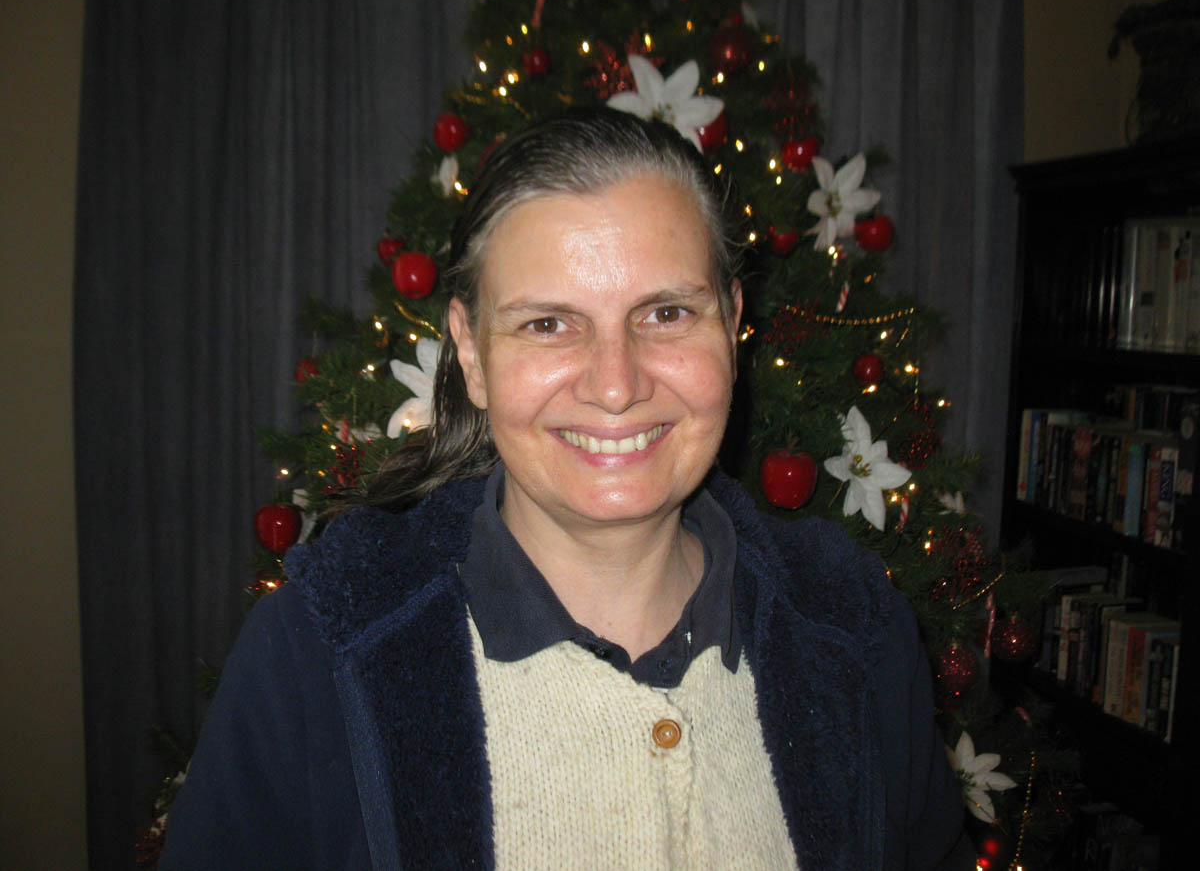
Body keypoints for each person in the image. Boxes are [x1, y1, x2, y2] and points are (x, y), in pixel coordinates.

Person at [160, 106, 972, 870]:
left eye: (666, 314)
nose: (615, 386)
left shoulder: (857, 630)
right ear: (471, 353)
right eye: (547, 324)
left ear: (731, 323)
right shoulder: (315, 656)